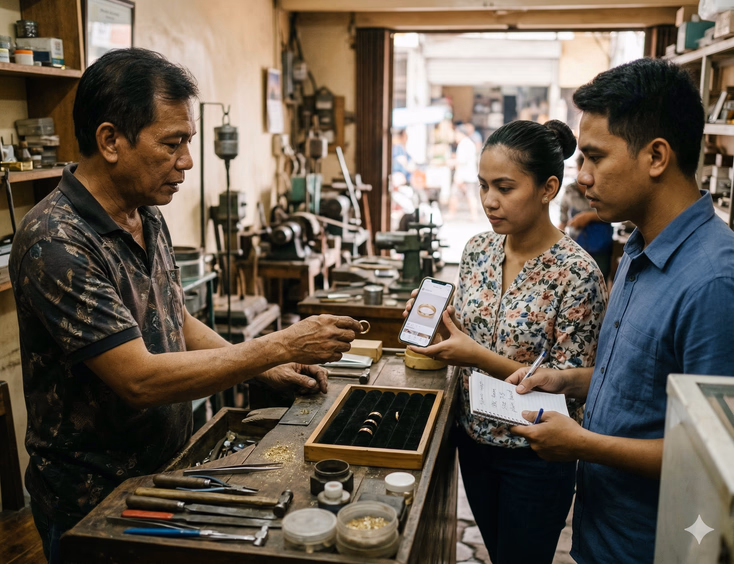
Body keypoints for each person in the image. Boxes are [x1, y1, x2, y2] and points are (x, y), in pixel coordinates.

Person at [9, 48, 362, 563]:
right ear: (110, 140)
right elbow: (140, 380)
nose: (187, 162)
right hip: (92, 497)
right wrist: (275, 345)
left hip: (166, 467)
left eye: (189, 142)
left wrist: (270, 368)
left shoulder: (144, 211)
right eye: (171, 144)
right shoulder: (55, 241)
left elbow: (173, 316)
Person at [507, 58, 734, 564]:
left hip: (654, 547)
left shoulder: (715, 281)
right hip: (599, 532)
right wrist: (570, 382)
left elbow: (716, 456)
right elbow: (648, 384)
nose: (581, 177)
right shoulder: (636, 248)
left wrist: (582, 443)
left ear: (656, 156)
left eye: (594, 158)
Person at [404, 119, 608, 564]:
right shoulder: (478, 250)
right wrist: (436, 320)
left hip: (534, 453)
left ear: (547, 188)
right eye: (482, 186)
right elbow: (464, 333)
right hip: (472, 437)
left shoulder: (577, 274)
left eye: (504, 187)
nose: (489, 202)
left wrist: (476, 356)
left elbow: (571, 385)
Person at [559, 153, 614, 280]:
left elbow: (613, 214)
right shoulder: (570, 190)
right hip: (577, 246)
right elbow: (563, 218)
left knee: (599, 280)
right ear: (578, 167)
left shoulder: (604, 189)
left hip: (601, 246)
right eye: (582, 166)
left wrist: (589, 217)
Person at [448, 124, 480, 221]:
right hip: (468, 175)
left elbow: (462, 160)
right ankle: (472, 215)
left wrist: (452, 162)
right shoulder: (468, 143)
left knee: (461, 195)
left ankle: (454, 214)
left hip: (464, 175)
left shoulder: (464, 144)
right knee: (466, 195)